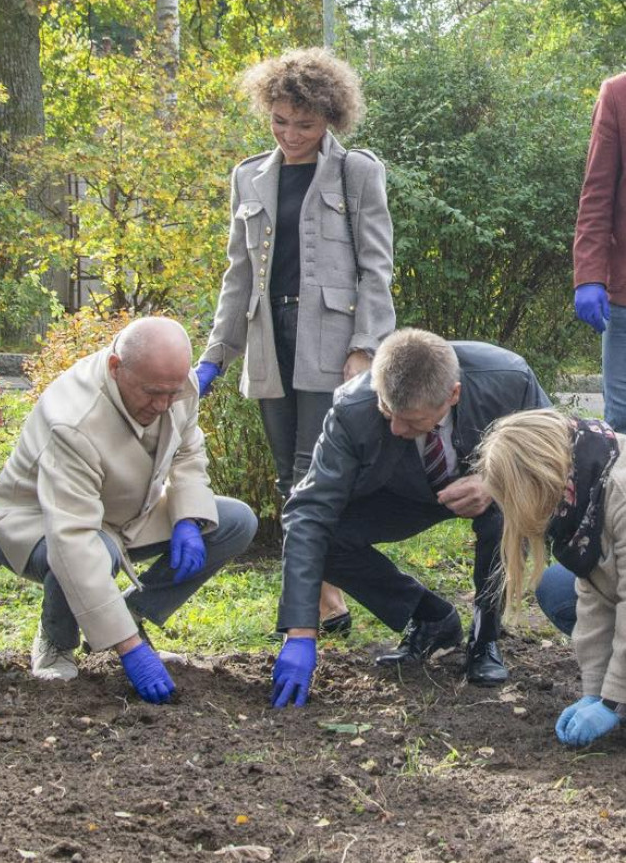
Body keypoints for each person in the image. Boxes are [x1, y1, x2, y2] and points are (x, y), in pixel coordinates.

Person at [196, 48, 395, 636]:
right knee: (288, 474)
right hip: (266, 340)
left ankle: (305, 603)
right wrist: (214, 357)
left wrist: (365, 346)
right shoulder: (248, 176)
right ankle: (327, 596)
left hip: (331, 340)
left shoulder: (357, 171)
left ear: (330, 118)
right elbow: (238, 275)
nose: (290, 134)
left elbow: (375, 267)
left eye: (303, 124)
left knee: (316, 470)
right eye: (279, 121)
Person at [270, 328, 551, 709]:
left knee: (504, 512)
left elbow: (554, 452)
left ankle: (486, 639)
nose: (396, 429)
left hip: (488, 486)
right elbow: (308, 511)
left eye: (413, 420)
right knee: (328, 536)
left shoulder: (508, 380)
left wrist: (494, 483)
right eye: (388, 412)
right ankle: (431, 618)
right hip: (402, 489)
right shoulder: (353, 408)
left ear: (452, 394)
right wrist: (300, 632)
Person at [0, 317, 258, 702]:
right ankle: (57, 640)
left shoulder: (178, 386)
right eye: (152, 393)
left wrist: (188, 518)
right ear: (116, 368)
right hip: (36, 522)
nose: (163, 405)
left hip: (122, 512)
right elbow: (72, 538)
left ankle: (128, 615)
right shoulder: (74, 419)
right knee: (96, 549)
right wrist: (130, 650)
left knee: (233, 522)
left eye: (171, 394)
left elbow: (188, 452)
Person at [476, 409, 626, 749]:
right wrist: (594, 691)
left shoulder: (620, 489)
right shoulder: (585, 492)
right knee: (557, 587)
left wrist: (614, 700)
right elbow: (597, 595)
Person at [573, 72, 626, 433]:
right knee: (621, 422)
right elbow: (597, 195)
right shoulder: (618, 95)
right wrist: (589, 276)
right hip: (625, 297)